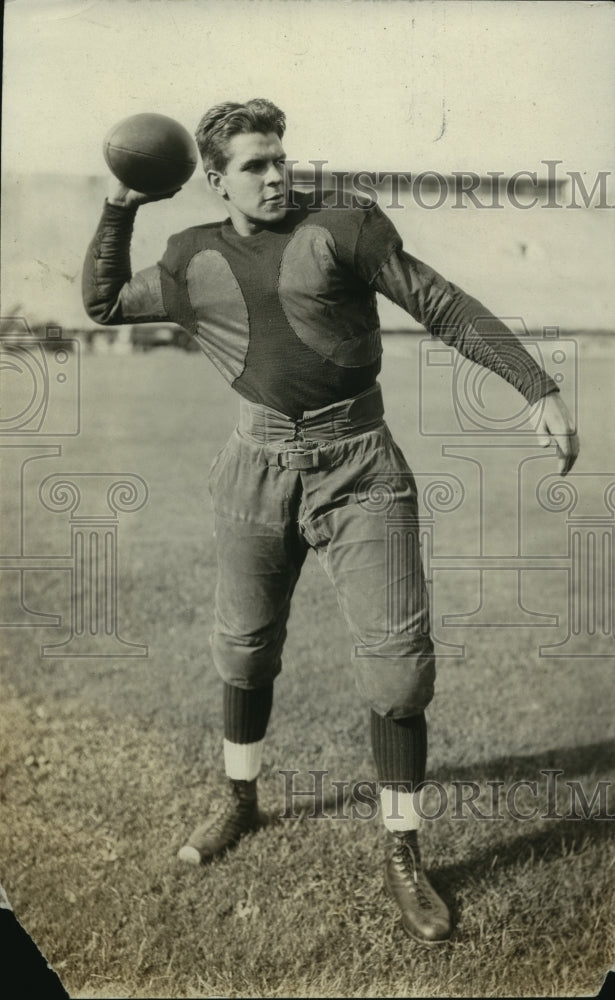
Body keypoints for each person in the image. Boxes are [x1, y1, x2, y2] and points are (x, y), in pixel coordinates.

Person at [82, 98, 579, 944]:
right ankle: (239, 799)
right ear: (216, 180)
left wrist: (537, 388)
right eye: (254, 165)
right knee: (243, 649)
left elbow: (443, 305)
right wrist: (122, 202)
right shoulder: (190, 255)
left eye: (280, 158)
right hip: (254, 466)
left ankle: (401, 850)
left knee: (397, 672)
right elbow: (101, 303)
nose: (276, 175)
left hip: (359, 469)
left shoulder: (342, 227)